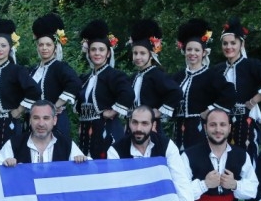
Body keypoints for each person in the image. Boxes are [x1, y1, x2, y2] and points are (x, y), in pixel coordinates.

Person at [107, 106, 201, 201]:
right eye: (135, 122)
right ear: (129, 123)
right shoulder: (116, 150)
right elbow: (115, 189)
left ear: (153, 125)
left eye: (144, 123)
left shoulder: (166, 145)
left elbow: (180, 181)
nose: (138, 128)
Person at [0, 20, 38, 165]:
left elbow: (34, 90)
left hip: (6, 123)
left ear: (10, 48)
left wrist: (20, 109)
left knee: (7, 160)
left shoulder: (16, 70)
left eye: (3, 45)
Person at [219, 17, 261, 160]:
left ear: (242, 44)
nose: (229, 47)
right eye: (225, 43)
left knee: (246, 156)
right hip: (222, 122)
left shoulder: (251, 65)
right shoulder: (218, 70)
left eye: (233, 43)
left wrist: (254, 101)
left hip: (246, 119)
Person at [171, 18, 235, 152]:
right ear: (184, 51)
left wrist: (210, 110)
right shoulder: (178, 77)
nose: (192, 53)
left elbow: (229, 93)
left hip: (199, 127)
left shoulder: (211, 76)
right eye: (189, 50)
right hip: (179, 128)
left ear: (204, 52)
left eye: (196, 50)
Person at [77, 19, 133, 159]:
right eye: (93, 49)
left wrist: (113, 111)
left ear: (108, 53)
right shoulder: (85, 78)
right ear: (89, 52)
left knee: (107, 164)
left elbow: (128, 94)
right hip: (87, 132)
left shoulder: (114, 75)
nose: (97, 53)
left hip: (107, 129)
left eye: (101, 50)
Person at [29, 13, 80, 139]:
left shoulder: (60, 67)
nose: (44, 48)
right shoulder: (33, 70)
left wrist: (55, 106)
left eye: (48, 45)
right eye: (41, 45)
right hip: (34, 123)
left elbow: (75, 83)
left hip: (56, 121)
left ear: (55, 47)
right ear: (37, 47)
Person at [0, 100, 87, 165]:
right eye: (36, 118)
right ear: (30, 120)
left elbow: (88, 168)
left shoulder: (66, 144)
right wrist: (4, 165)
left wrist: (82, 161)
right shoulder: (14, 143)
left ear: (54, 120)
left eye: (46, 118)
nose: (41, 123)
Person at [127, 19, 181, 128]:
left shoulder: (157, 74)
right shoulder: (134, 77)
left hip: (151, 127)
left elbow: (176, 92)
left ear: (151, 55)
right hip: (133, 127)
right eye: (135, 53)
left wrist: (160, 111)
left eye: (142, 53)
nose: (138, 57)